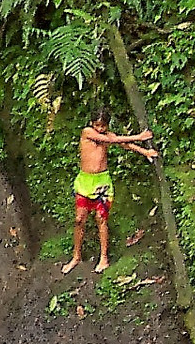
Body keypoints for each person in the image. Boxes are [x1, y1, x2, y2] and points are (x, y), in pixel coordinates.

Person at [61, 105, 159, 275]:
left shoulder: (108, 135)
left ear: (107, 125)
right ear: (92, 123)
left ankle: (104, 258)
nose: (100, 129)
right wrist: (139, 136)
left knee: (101, 219)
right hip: (85, 182)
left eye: (103, 126)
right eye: (97, 125)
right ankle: (76, 256)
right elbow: (111, 141)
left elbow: (124, 144)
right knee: (79, 219)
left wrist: (145, 151)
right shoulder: (87, 133)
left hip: (102, 183)